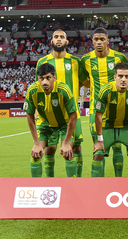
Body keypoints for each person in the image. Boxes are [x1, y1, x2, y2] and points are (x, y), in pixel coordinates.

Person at [36, 29, 88, 177]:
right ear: (52, 41)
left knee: (75, 147)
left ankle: (76, 181)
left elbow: (86, 82)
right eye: (56, 37)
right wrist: (35, 110)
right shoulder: (42, 62)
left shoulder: (75, 62)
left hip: (71, 112)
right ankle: (50, 182)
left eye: (62, 37)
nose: (59, 39)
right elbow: (38, 86)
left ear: (66, 42)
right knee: (50, 148)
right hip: (49, 113)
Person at [81, 27, 127, 177]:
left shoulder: (119, 58)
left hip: (116, 108)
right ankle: (98, 185)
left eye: (102, 39)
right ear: (92, 41)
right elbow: (83, 80)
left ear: (108, 40)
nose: (99, 42)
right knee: (98, 148)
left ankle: (118, 180)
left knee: (117, 146)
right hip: (95, 108)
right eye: (96, 39)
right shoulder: (86, 60)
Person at [24, 63, 78, 177]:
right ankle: (40, 187)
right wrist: (36, 143)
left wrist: (67, 142)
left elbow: (73, 116)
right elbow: (29, 116)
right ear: (37, 78)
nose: (44, 82)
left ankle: (74, 188)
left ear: (54, 77)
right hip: (45, 124)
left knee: (68, 153)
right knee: (36, 154)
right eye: (41, 78)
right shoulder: (32, 91)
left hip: (64, 124)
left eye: (48, 78)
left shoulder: (64, 89)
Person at [92, 62, 128, 177]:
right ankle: (95, 188)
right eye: (120, 76)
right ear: (115, 77)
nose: (123, 79)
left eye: (127, 76)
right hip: (108, 125)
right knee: (98, 154)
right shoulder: (105, 90)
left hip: (126, 125)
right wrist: (100, 140)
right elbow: (98, 115)